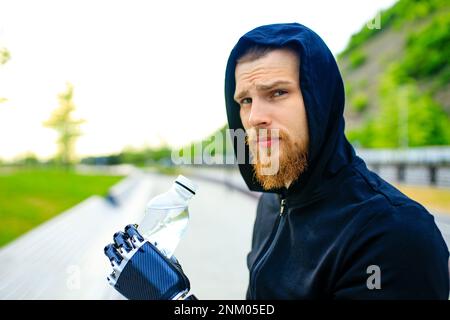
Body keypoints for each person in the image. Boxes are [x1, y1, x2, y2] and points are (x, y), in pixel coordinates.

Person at [105, 23, 449, 300]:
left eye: (278, 93)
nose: (254, 117)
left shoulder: (393, 236)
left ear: (320, 101)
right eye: (245, 100)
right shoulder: (272, 203)